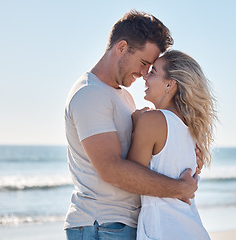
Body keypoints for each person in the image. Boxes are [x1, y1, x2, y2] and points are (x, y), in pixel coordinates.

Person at [64, 10, 201, 240]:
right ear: (121, 48)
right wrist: (180, 188)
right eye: (144, 62)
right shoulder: (90, 94)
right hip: (100, 225)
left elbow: (142, 158)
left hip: (122, 225)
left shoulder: (123, 96)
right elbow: (112, 170)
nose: (145, 73)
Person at [127, 50, 217, 240]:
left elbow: (130, 179)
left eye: (153, 72)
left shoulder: (151, 120)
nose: (145, 76)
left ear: (170, 84)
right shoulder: (191, 128)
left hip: (165, 232)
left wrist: (135, 123)